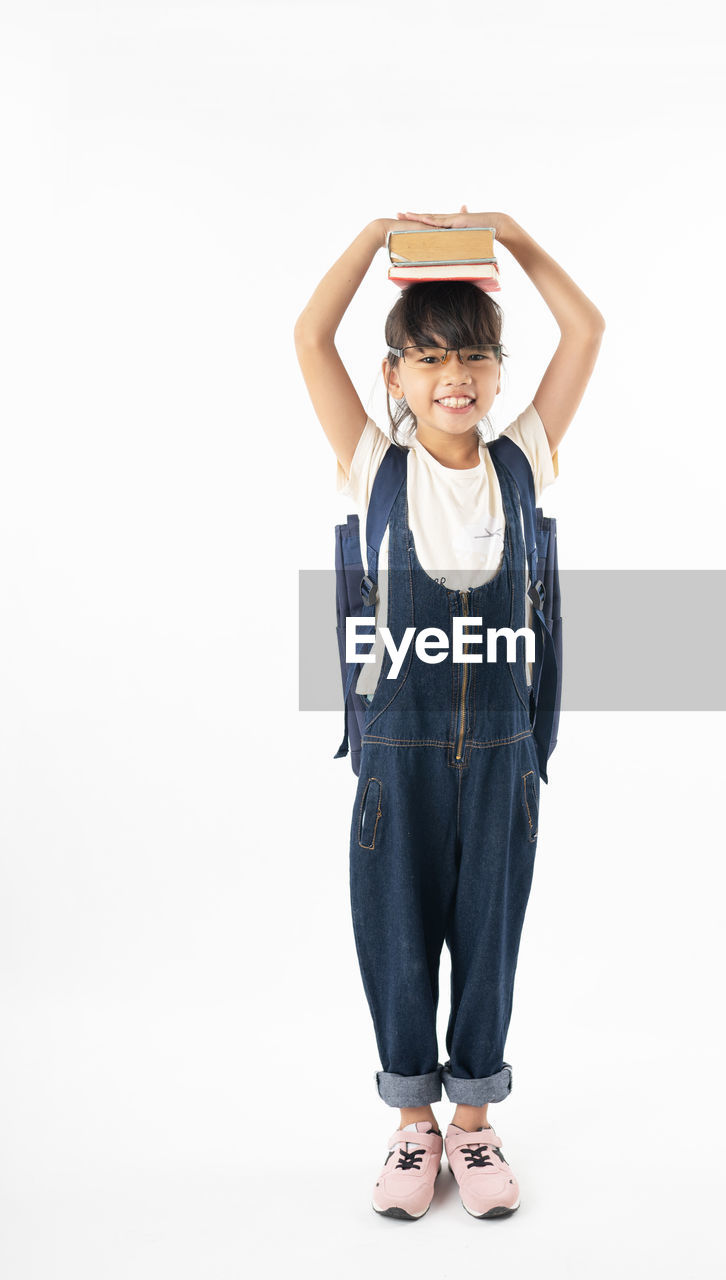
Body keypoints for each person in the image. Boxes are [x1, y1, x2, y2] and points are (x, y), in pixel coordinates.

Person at [294, 207, 605, 1219]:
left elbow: (588, 329)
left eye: (471, 352)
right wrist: (377, 233)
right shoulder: (374, 468)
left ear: (498, 370)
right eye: (427, 357)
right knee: (395, 934)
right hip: (398, 752)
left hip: (504, 752)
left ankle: (474, 1124)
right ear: (394, 377)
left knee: (488, 934)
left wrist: (511, 239)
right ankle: (409, 1122)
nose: (453, 373)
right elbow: (307, 335)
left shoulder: (524, 460)